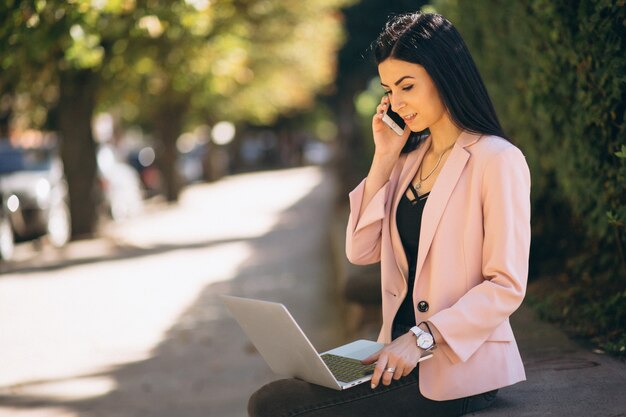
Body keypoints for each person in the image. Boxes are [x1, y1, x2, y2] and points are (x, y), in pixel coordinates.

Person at [248, 11, 530, 417]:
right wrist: (383, 157)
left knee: (274, 406)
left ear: (445, 75)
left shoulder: (497, 160)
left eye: (407, 86)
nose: (397, 103)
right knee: (289, 386)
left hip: (456, 364)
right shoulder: (408, 162)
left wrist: (421, 339)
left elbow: (505, 285)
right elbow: (361, 252)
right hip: (387, 352)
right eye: (389, 90)